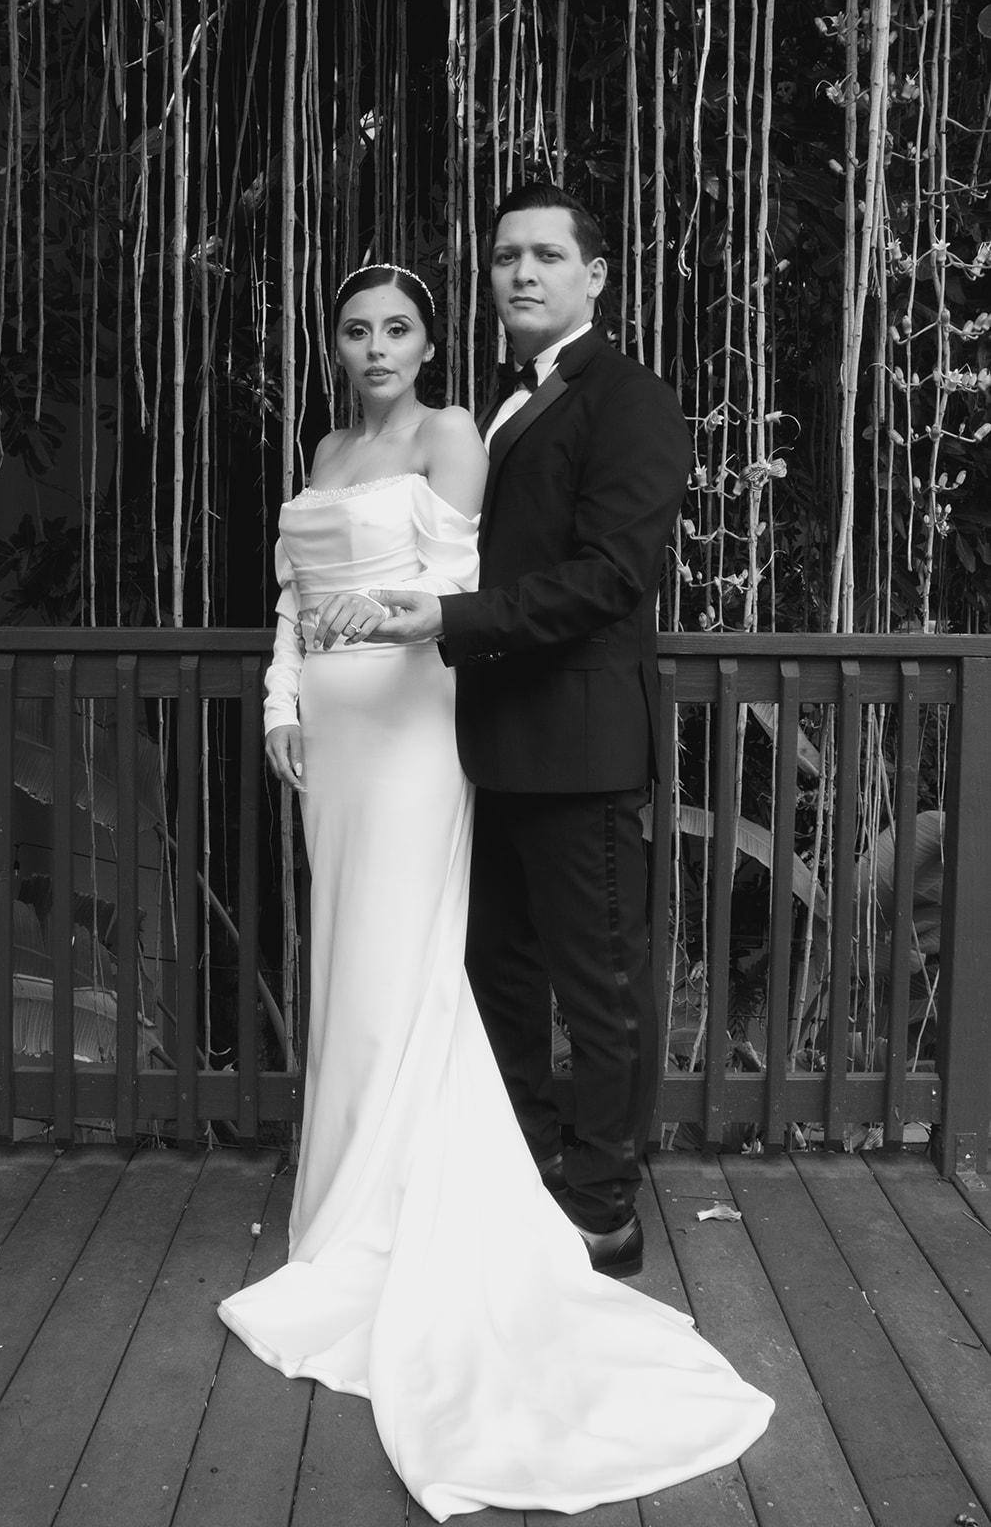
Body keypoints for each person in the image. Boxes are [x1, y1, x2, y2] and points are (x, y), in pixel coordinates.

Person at [218, 261, 772, 1522]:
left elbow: (464, 585)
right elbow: (293, 598)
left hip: (413, 721)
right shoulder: (324, 446)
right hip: (330, 739)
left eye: (397, 328)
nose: (376, 347)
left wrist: (398, 626)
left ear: (426, 342)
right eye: (355, 329)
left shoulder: (456, 430)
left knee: (406, 956)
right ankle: (348, 1191)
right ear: (335, 344)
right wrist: (281, 699)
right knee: (350, 954)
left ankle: (461, 1197)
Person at [340, 183, 691, 1280]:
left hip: (578, 745)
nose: (522, 273)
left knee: (599, 986)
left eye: (546, 255)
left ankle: (603, 1209)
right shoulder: (498, 406)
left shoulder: (628, 399)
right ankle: (531, 1163)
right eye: (504, 258)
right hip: (484, 744)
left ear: (594, 275)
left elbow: (608, 577)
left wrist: (449, 621)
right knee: (497, 970)